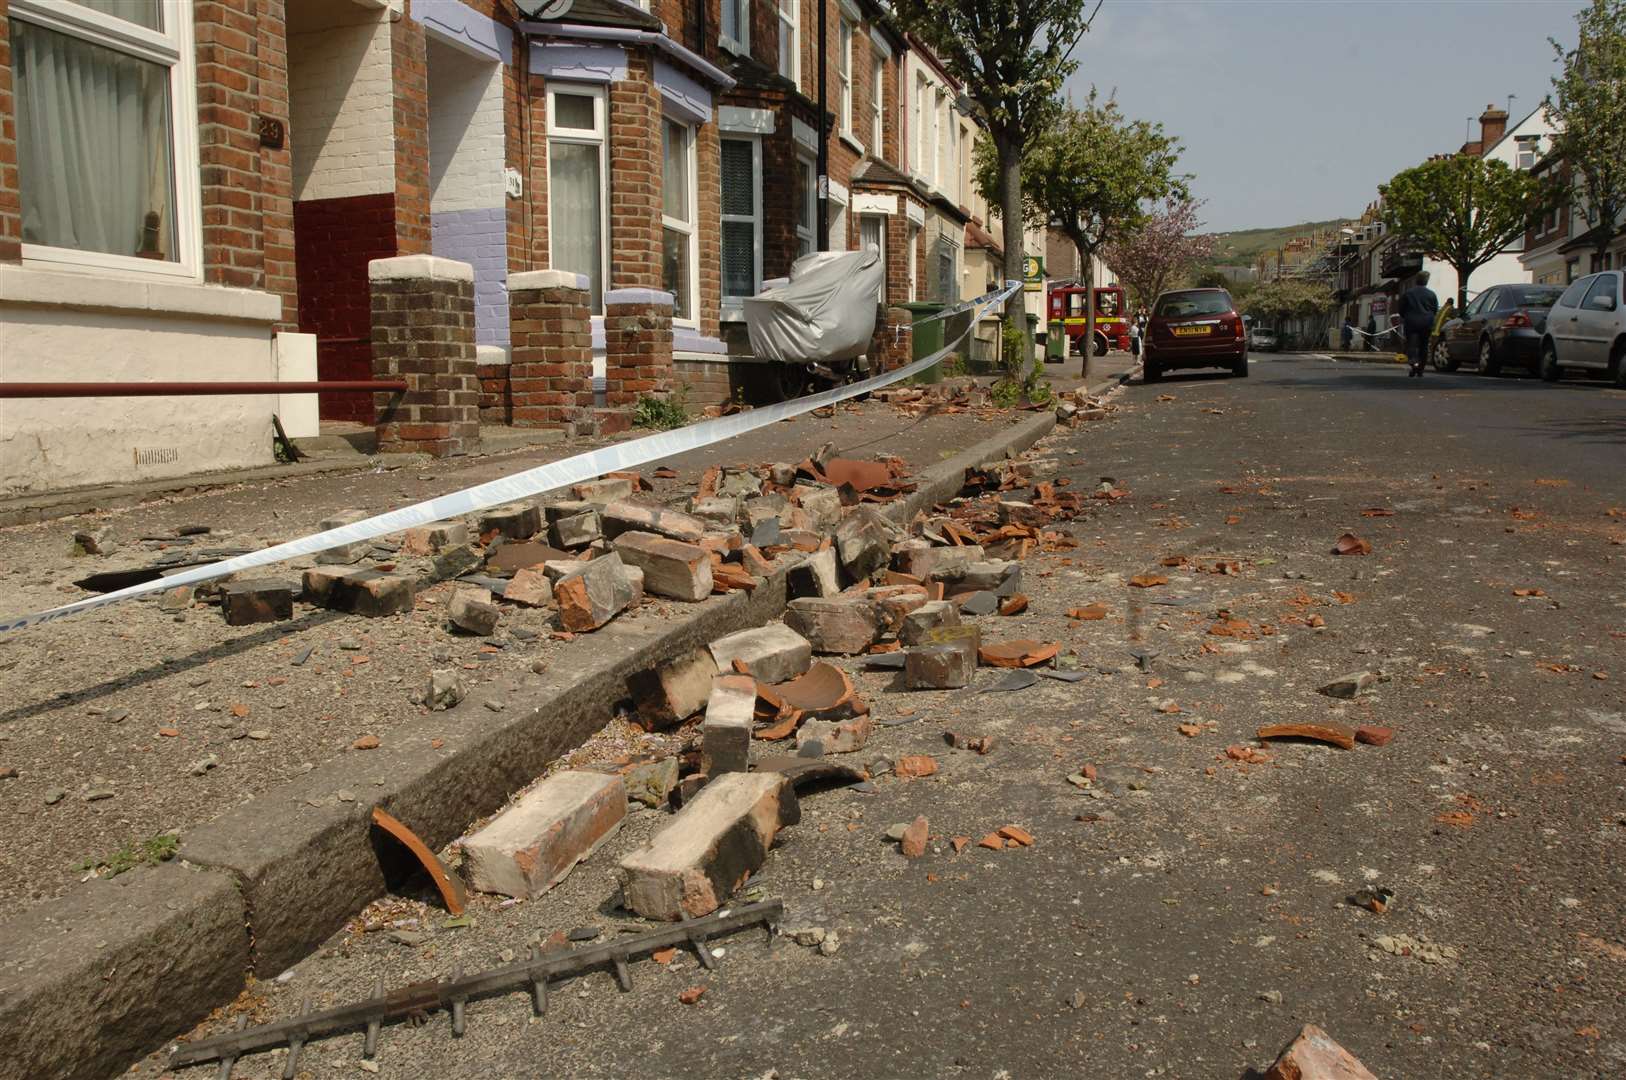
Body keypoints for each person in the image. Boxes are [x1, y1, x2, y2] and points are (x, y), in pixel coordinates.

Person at [1397, 271, 1439, 378]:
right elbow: (1435, 309)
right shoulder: (1431, 294)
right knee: (1424, 345)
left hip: (1411, 321)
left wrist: (1405, 315)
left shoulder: (1408, 293)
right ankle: (1421, 368)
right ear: (1427, 281)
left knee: (1411, 343)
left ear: (1416, 280)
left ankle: (1413, 362)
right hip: (1426, 322)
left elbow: (1401, 309)